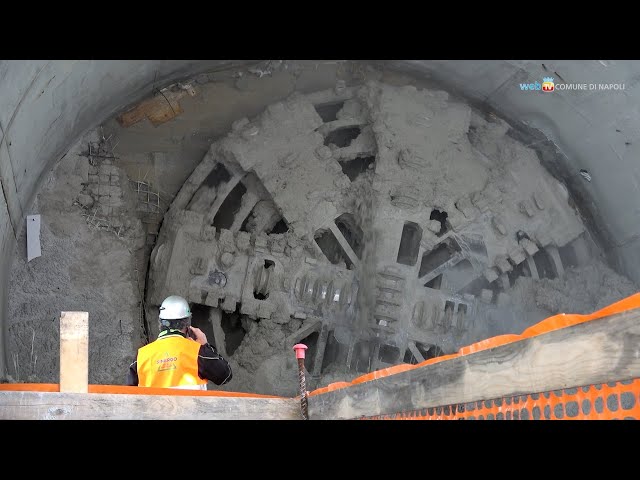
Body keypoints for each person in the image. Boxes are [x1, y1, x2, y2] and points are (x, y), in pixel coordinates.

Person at [126, 295, 232, 390]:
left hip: (154, 412)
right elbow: (225, 375)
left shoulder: (142, 356)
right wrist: (205, 346)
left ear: (160, 323)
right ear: (187, 324)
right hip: (190, 411)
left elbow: (130, 396)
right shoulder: (197, 352)